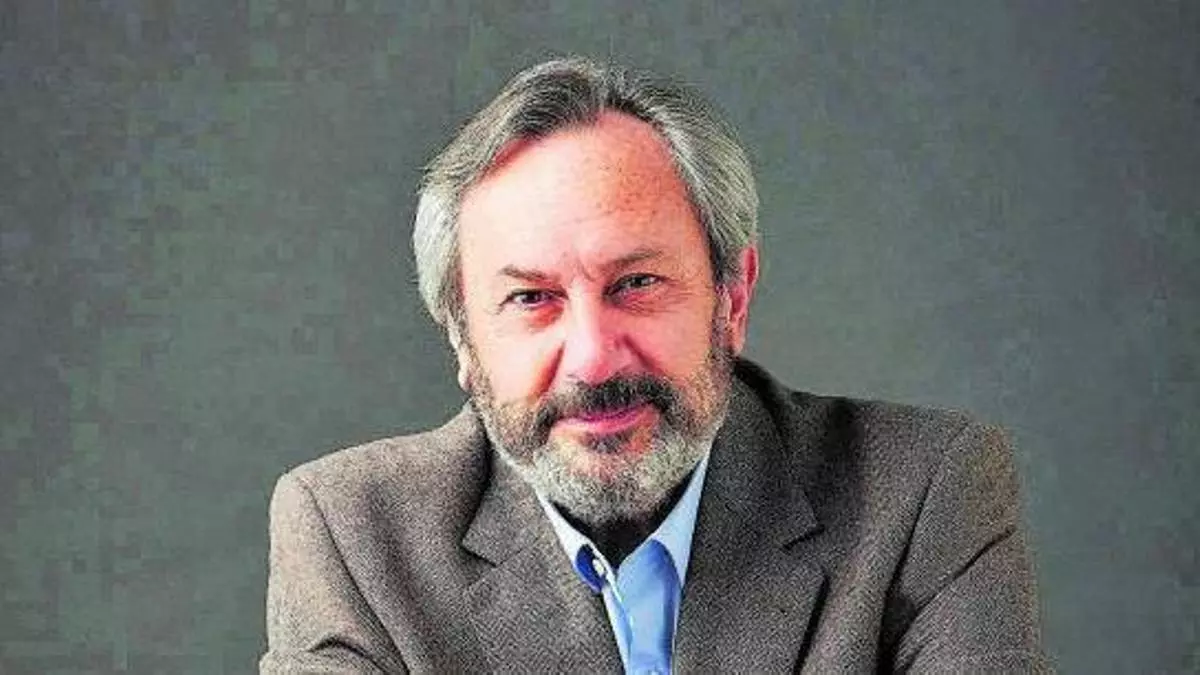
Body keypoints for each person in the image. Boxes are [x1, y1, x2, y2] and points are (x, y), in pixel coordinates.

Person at [261, 57, 1049, 673]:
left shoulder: (923, 491)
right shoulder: (353, 535)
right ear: (464, 342)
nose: (594, 357)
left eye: (636, 283)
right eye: (532, 298)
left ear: (731, 297)